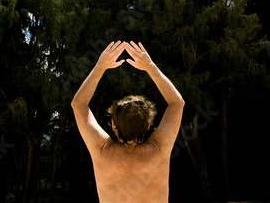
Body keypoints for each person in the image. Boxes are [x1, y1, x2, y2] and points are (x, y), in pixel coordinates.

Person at [71, 41, 185, 203]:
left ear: (113, 124)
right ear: (147, 126)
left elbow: (78, 105)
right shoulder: (158, 150)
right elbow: (177, 103)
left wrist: (100, 66)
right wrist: (150, 66)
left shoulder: (102, 151)